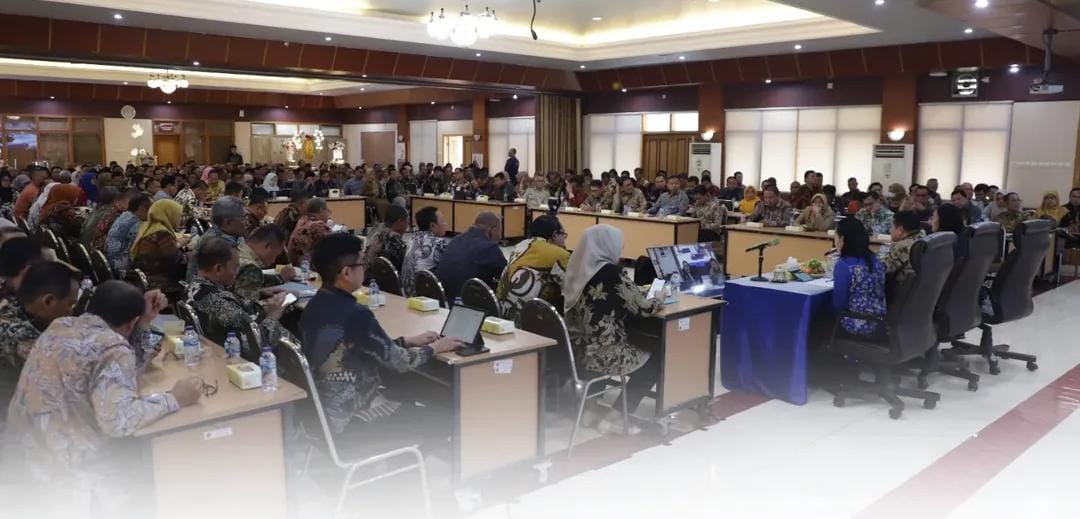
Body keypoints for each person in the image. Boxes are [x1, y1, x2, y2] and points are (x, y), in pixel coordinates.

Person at [3, 281, 201, 514]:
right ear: (130, 324)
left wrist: (144, 321)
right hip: (65, 474)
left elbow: (123, 375)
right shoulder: (111, 347)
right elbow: (117, 421)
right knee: (157, 469)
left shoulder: (61, 326)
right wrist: (175, 398)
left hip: (21, 455)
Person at [299, 233, 461, 434]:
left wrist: (407, 341)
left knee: (413, 391)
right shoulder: (355, 314)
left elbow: (358, 345)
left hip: (325, 412)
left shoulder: (315, 305)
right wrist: (435, 348)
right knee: (444, 418)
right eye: (362, 264)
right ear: (346, 273)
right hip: (353, 416)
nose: (365, 269)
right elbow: (399, 363)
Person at [564, 225, 663, 433]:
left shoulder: (576, 268)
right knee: (656, 361)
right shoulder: (612, 273)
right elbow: (643, 308)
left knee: (604, 342)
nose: (621, 248)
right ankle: (617, 414)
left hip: (578, 350)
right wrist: (659, 298)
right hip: (604, 353)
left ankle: (589, 409)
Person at [187, 237, 294, 361]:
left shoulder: (194, 287)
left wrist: (261, 295)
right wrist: (273, 315)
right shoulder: (222, 306)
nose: (237, 273)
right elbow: (257, 345)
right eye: (235, 267)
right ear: (218, 269)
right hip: (272, 361)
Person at [496, 215, 570, 323]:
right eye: (563, 234)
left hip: (500, 313)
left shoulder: (520, 246)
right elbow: (572, 289)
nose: (564, 238)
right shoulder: (559, 255)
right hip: (527, 322)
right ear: (554, 235)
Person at [830, 218, 887, 338]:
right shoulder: (875, 260)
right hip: (880, 322)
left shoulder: (844, 265)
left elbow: (839, 305)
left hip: (857, 324)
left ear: (842, 239)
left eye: (835, 237)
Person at [437, 212, 508, 299]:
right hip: (468, 302)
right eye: (500, 232)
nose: (500, 237)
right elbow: (507, 275)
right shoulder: (489, 248)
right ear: (492, 230)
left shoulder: (455, 240)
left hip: (443, 299)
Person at [131, 199, 190, 304]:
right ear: (169, 214)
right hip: (158, 282)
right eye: (178, 215)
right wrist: (190, 255)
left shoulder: (148, 226)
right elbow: (176, 259)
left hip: (143, 278)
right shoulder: (162, 233)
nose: (180, 219)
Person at [234, 224, 294, 301]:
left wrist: (259, 292)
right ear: (267, 246)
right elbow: (247, 306)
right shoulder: (251, 268)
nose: (273, 260)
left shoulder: (235, 248)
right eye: (275, 255)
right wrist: (275, 302)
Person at [401, 207, 449, 297]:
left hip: (406, 294)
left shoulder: (411, 239)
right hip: (425, 297)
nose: (445, 223)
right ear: (433, 225)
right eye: (442, 220)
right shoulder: (438, 243)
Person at [105, 194, 151, 271]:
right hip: (118, 265)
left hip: (108, 259)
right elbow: (138, 245)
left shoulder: (124, 216)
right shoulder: (136, 223)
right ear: (141, 208)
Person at [883, 210, 926, 288]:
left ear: (900, 230)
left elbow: (885, 270)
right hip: (920, 284)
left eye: (892, 227)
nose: (890, 230)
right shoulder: (922, 234)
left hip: (900, 287)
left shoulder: (901, 246)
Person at [364, 205, 409, 275]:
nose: (407, 225)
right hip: (384, 278)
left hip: (368, 275)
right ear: (399, 221)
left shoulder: (375, 233)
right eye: (407, 221)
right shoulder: (396, 243)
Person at [287, 197, 332, 265]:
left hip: (294, 264)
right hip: (308, 267)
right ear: (321, 210)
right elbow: (332, 246)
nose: (328, 214)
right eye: (327, 210)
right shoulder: (318, 226)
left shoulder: (302, 221)